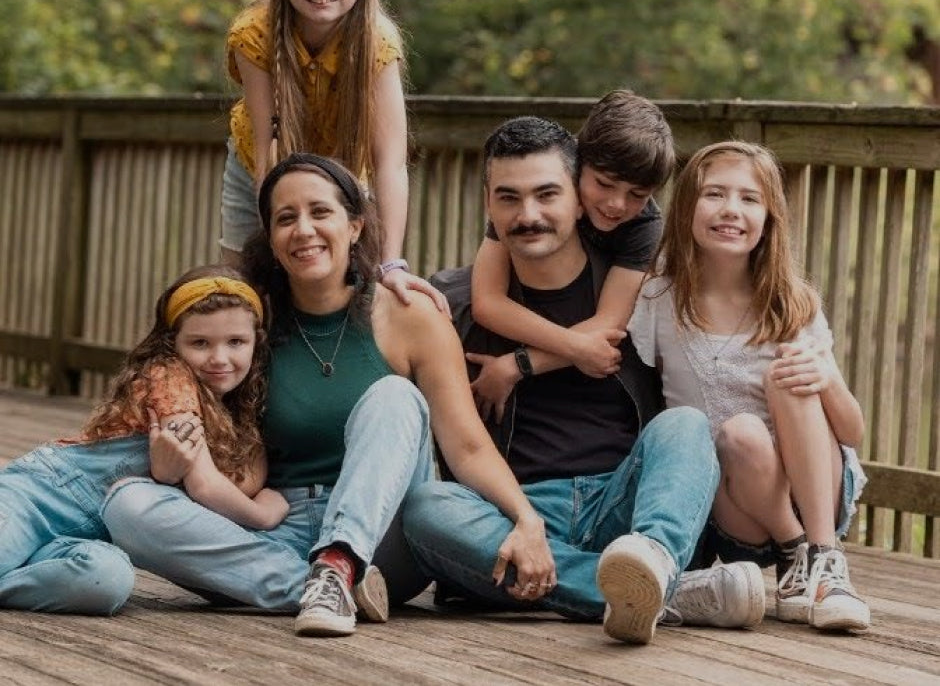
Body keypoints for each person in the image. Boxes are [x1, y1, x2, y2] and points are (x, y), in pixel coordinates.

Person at [103, 153, 555, 638]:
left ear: (356, 225)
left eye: (320, 212)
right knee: (127, 505)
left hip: (385, 535)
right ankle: (315, 584)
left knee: (394, 396)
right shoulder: (249, 322)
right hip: (279, 525)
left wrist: (527, 519)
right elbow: (176, 371)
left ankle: (339, 565)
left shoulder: (410, 314)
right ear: (271, 238)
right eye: (285, 218)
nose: (303, 230)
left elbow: (467, 446)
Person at [402, 117, 766, 645]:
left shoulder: (645, 290)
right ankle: (670, 593)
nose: (528, 216)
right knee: (426, 509)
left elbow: (740, 317)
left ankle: (652, 565)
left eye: (547, 194)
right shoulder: (452, 306)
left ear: (575, 197)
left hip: (620, 502)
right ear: (488, 206)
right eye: (509, 199)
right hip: (513, 513)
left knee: (685, 425)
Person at [628, 141, 870, 632]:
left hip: (816, 491)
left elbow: (852, 431)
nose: (731, 210)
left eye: (749, 199)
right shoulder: (658, 298)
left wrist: (825, 380)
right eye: (715, 194)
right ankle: (794, 553)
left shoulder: (792, 303)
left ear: (769, 217)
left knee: (792, 375)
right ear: (688, 207)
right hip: (733, 506)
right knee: (738, 433)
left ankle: (825, 560)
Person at [0, 267, 280, 615]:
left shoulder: (240, 415)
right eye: (200, 343)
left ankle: (10, 580)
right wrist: (262, 514)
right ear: (172, 344)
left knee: (107, 582)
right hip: (38, 500)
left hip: (82, 541)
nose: (219, 358)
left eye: (235, 342)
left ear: (257, 341)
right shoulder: (169, 377)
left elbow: (242, 480)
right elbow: (205, 486)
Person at [220, 0, 437, 306]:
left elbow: (390, 162)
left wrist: (392, 262)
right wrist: (277, 237)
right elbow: (270, 142)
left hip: (345, 173)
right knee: (247, 292)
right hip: (261, 164)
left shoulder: (378, 44)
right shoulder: (255, 34)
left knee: (354, 287)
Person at [469, 90, 673, 421]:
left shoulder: (644, 224)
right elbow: (487, 302)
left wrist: (518, 365)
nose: (617, 205)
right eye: (604, 184)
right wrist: (576, 348)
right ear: (578, 164)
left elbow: (609, 323)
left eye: (637, 194)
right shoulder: (533, 202)